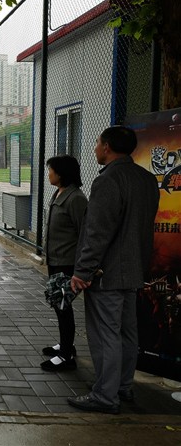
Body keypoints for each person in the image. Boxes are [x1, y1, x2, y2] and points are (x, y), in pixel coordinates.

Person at [67, 126, 159, 414]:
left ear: (107, 147)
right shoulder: (146, 179)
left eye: (96, 143)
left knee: (105, 334)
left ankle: (105, 397)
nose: (94, 148)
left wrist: (82, 271)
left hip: (106, 273)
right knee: (127, 333)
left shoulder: (108, 181)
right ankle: (122, 386)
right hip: (134, 270)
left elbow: (98, 232)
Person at [41, 155, 87, 372]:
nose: (49, 173)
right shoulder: (59, 193)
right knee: (59, 306)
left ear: (61, 173)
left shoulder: (76, 199)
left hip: (67, 263)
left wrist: (81, 267)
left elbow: (85, 233)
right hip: (56, 260)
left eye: (51, 170)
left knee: (63, 307)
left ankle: (66, 356)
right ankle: (65, 344)